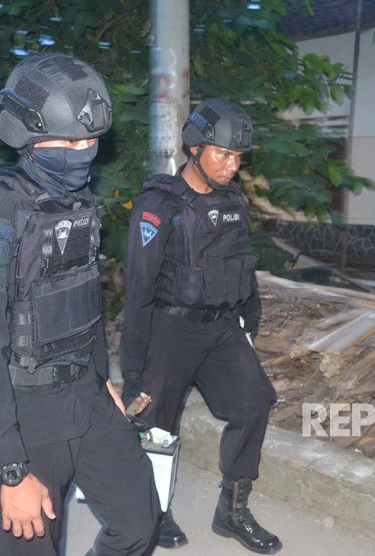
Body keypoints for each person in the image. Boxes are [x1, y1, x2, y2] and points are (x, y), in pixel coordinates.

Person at [0, 52, 159, 556]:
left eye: (90, 141)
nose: (83, 151)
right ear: (26, 134)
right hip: (20, 416)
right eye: (68, 141)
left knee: (139, 524)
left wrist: (101, 376)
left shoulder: (80, 202)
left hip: (85, 398)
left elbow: (82, 298)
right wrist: (10, 469)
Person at [120, 98, 282, 555]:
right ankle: (153, 512)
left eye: (237, 158)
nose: (232, 167)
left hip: (222, 329)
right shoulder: (159, 206)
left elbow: (241, 265)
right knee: (157, 428)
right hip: (170, 329)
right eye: (223, 155)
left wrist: (250, 315)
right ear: (194, 148)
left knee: (254, 404)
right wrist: (133, 373)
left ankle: (231, 511)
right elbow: (138, 292)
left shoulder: (233, 200)